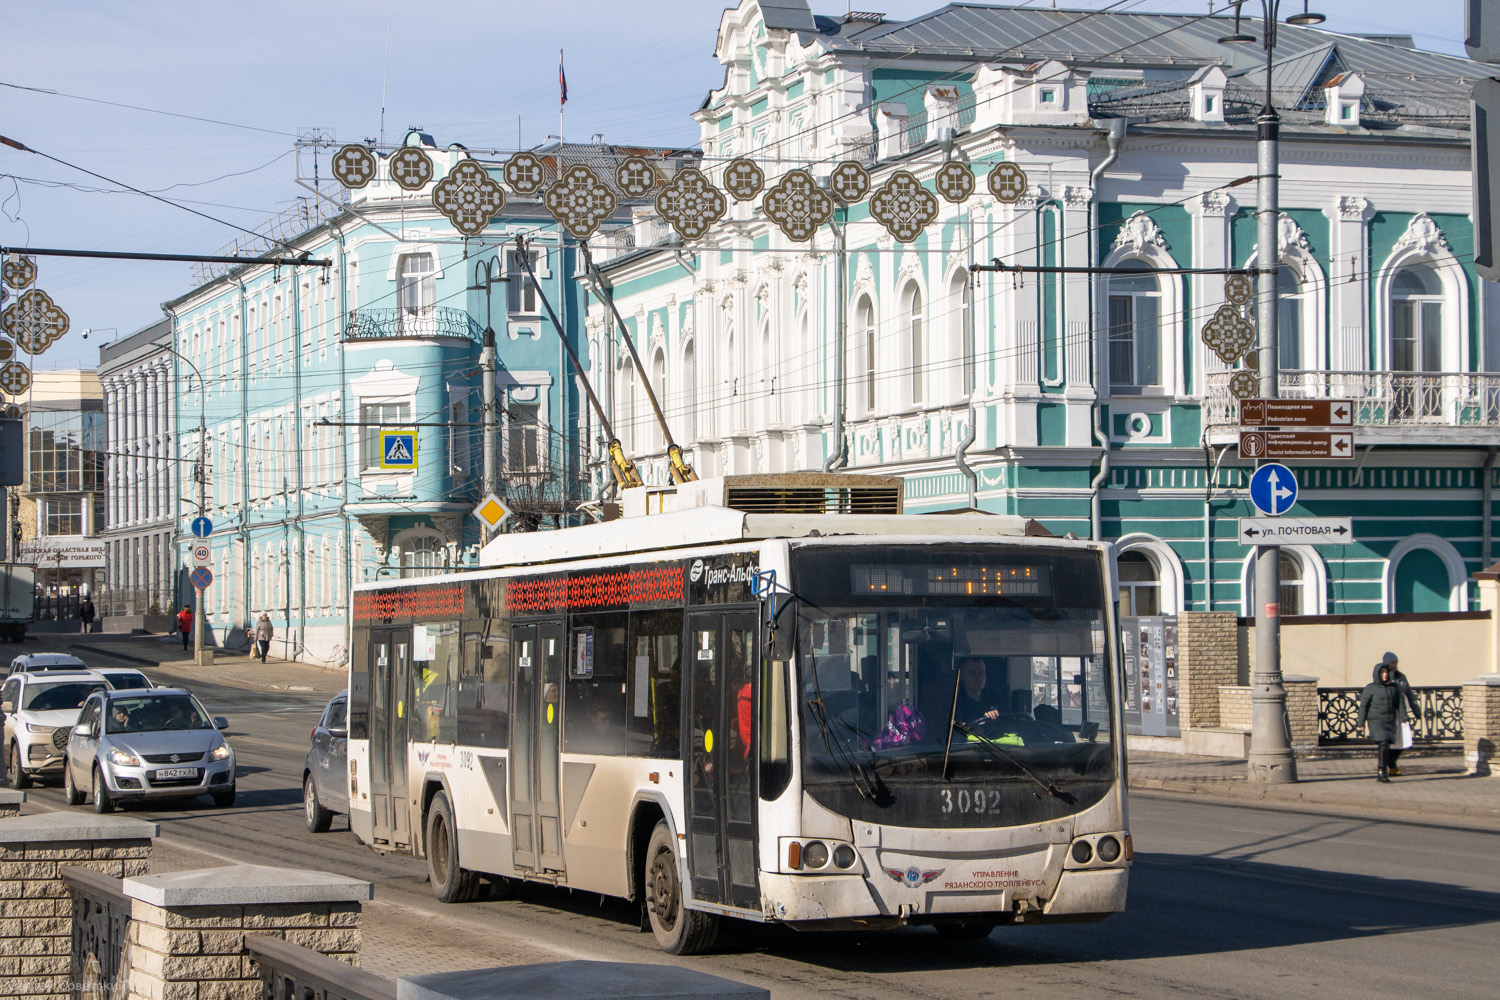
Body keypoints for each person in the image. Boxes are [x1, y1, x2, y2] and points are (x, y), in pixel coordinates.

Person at [1357, 660, 1410, 783]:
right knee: (1384, 743)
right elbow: (1364, 706)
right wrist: (1361, 722)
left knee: (1388, 744)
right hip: (1376, 721)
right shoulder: (1371, 688)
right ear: (1377, 674)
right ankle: (1382, 772)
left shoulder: (1394, 688)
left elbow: (1400, 704)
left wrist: (1404, 717)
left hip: (1389, 720)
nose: (1385, 675)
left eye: (1386, 672)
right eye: (1382, 673)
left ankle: (1386, 767)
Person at [1382, 651, 1421, 775]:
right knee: (1388, 741)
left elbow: (1409, 693)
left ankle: (1391, 762)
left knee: (1404, 739)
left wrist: (1416, 710)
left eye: (1395, 662)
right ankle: (1388, 766)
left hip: (1401, 713)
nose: (1394, 665)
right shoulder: (1383, 676)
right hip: (1388, 713)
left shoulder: (1401, 676)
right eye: (1391, 663)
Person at [954, 658, 1002, 726]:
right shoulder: (956, 703)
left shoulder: (995, 699)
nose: (978, 677)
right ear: (961, 676)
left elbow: (1007, 723)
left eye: (981, 672)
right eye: (972, 673)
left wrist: (994, 717)